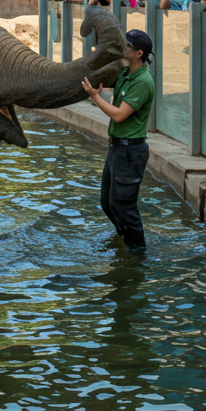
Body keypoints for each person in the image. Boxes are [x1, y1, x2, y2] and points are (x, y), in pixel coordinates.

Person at [81, 28, 155, 251]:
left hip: (130, 151)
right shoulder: (126, 74)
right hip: (117, 148)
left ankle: (137, 253)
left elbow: (119, 114)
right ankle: (125, 239)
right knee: (108, 203)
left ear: (139, 53)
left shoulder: (142, 82)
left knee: (124, 206)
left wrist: (94, 97)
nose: (124, 47)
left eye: (128, 46)